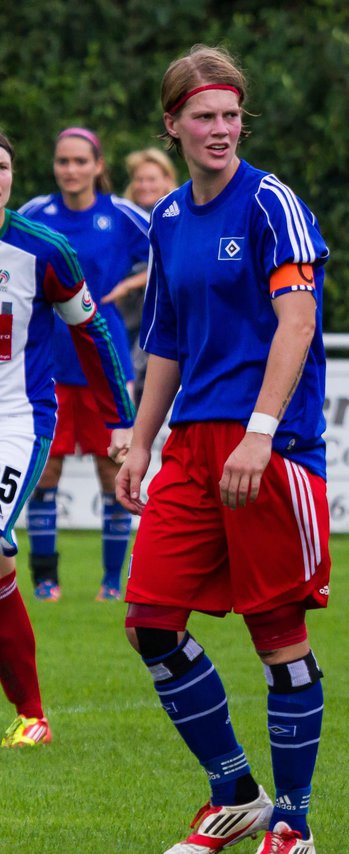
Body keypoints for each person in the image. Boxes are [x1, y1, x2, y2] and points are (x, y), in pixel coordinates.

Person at [114, 45, 330, 854]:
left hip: (269, 445)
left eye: (231, 114)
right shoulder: (167, 218)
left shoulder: (271, 203)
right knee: (151, 623)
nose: (220, 129)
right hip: (191, 449)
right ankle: (236, 792)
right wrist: (140, 442)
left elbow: (297, 324)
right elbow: (165, 340)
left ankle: (295, 827)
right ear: (172, 124)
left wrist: (261, 432)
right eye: (203, 116)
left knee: (279, 639)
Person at [0, 129, 134, 748]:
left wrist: (123, 417)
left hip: (17, 420)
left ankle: (33, 714)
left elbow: (94, 332)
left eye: (2, 166)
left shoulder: (43, 249)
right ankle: (32, 714)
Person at [17, 127, 149, 602]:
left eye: (79, 161)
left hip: (103, 358)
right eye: (62, 162)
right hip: (46, 360)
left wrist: (132, 288)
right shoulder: (35, 213)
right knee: (44, 471)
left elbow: (171, 252)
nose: (70, 170)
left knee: (111, 470)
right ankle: (44, 580)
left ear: (98, 165)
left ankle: (112, 584)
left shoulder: (120, 215)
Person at [121, 148, 180, 391]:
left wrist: (129, 284)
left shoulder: (176, 214)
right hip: (127, 312)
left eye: (152, 179)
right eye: (139, 179)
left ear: (167, 179)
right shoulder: (124, 216)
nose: (144, 185)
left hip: (160, 307)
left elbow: (172, 264)